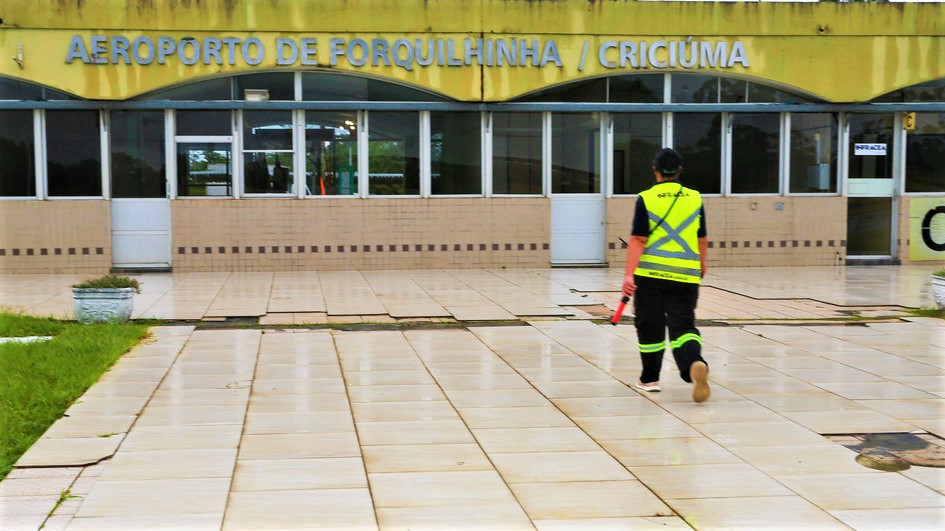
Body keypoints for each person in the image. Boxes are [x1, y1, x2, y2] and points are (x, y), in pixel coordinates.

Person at [621, 147, 710, 403]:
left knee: (650, 325)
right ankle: (693, 363)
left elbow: (639, 239)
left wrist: (629, 276)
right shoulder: (694, 198)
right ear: (679, 170)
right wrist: (702, 264)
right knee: (683, 325)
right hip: (685, 274)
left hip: (650, 275)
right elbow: (701, 238)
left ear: (655, 169)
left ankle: (650, 379)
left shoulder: (646, 198)